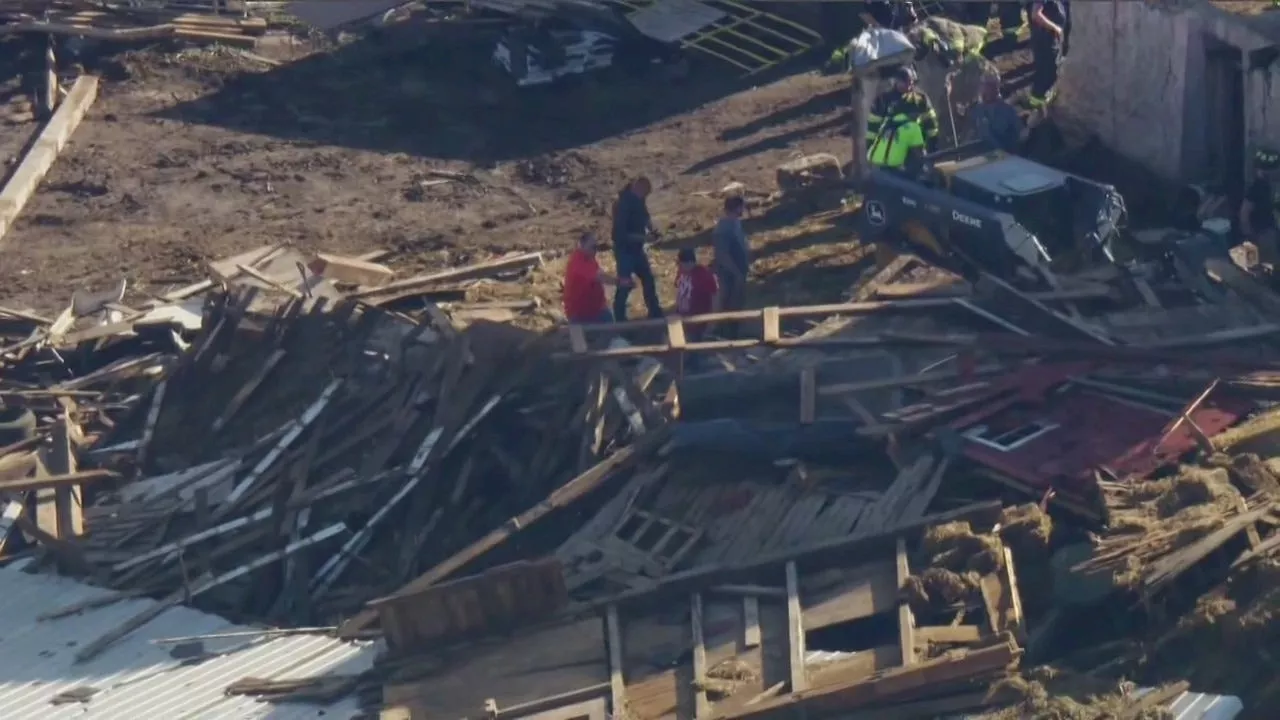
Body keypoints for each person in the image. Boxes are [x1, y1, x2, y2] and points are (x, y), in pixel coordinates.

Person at [611, 177, 663, 321]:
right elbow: (620, 235)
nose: (644, 197)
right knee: (625, 284)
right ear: (637, 188)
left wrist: (652, 229)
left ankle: (655, 311)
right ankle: (620, 318)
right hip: (624, 250)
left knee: (648, 279)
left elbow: (645, 217)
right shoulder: (622, 204)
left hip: (637, 249)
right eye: (644, 193)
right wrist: (645, 238)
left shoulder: (638, 199)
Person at [868, 66, 932, 171]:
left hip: (915, 146)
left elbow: (930, 123)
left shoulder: (920, 98)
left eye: (911, 82)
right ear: (896, 81)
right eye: (906, 83)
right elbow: (872, 126)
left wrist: (932, 145)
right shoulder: (884, 100)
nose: (909, 86)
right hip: (892, 148)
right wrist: (870, 146)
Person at [563, 232, 628, 324]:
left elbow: (599, 272)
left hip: (597, 309)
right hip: (581, 314)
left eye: (596, 247)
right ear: (581, 245)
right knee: (607, 334)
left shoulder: (588, 257)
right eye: (592, 247)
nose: (595, 250)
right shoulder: (578, 262)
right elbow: (600, 277)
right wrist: (620, 282)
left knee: (611, 329)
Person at [1240, 148, 1280, 288]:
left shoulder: (1267, 187)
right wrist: (1249, 234)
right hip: (1261, 233)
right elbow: (1245, 212)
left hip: (1266, 231)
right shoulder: (1258, 187)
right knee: (1265, 268)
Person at [712, 196, 750, 338]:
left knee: (737, 302)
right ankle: (723, 333)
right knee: (728, 302)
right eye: (741, 207)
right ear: (737, 207)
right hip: (729, 274)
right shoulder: (724, 227)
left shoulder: (735, 224)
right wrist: (736, 272)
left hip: (738, 272)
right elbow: (722, 254)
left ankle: (733, 331)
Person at [1027, 0, 1067, 108]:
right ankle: (1037, 105)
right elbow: (1036, 14)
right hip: (1045, 39)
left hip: (1051, 39)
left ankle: (1040, 101)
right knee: (1046, 71)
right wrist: (1055, 28)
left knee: (1050, 69)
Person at [969, 74, 1023, 153]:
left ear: (996, 88)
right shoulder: (976, 111)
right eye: (983, 86)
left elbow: (1020, 136)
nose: (985, 89)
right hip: (981, 158)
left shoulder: (1008, 111)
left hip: (1004, 157)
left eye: (988, 86)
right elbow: (969, 137)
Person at [675, 247, 718, 341]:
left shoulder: (703, 275)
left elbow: (714, 297)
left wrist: (712, 320)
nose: (679, 266)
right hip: (682, 318)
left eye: (681, 264)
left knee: (694, 346)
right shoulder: (682, 273)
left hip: (697, 320)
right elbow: (680, 292)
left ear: (689, 262)